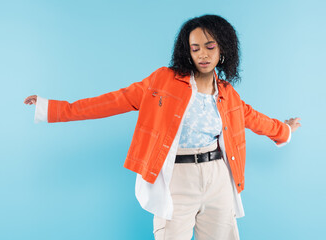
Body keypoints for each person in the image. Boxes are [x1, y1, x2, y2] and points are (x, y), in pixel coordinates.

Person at [24, 14, 301, 240]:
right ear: (187, 52)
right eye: (195, 48)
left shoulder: (228, 94)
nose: (202, 54)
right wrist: (51, 108)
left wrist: (284, 130)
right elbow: (112, 101)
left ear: (223, 48)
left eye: (210, 46)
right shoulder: (163, 81)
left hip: (218, 177)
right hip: (176, 179)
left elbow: (254, 119)